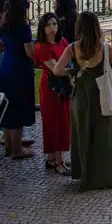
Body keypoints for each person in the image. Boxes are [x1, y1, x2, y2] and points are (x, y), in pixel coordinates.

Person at [58, 11, 112, 189]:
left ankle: (84, 173)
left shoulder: (72, 48)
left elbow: (57, 69)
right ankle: (105, 176)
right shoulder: (105, 47)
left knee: (83, 134)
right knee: (103, 136)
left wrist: (72, 72)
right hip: (102, 97)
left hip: (81, 98)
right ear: (97, 27)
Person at [0, 0, 36, 159]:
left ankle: (9, 145)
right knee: (19, 107)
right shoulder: (23, 28)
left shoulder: (3, 26)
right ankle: (18, 149)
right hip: (20, 69)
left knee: (8, 106)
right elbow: (29, 51)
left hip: (5, 66)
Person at [34, 11, 73, 173]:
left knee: (62, 120)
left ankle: (53, 158)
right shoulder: (41, 47)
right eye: (49, 24)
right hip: (51, 88)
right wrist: (73, 71)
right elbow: (55, 70)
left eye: (55, 24)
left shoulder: (63, 42)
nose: (52, 28)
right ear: (42, 28)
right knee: (53, 121)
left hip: (63, 86)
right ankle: (58, 162)